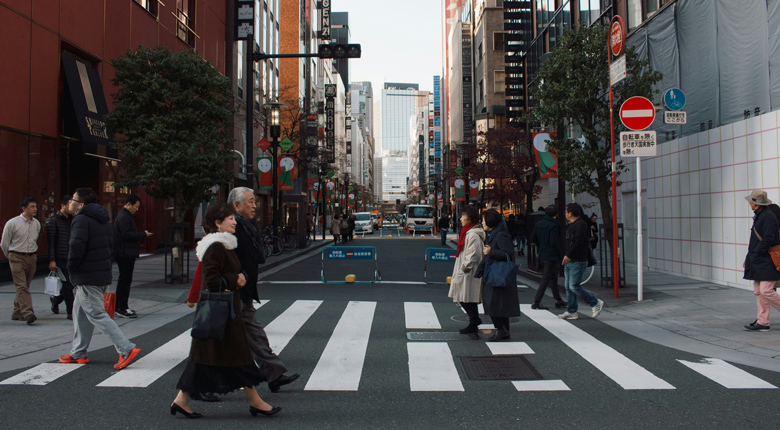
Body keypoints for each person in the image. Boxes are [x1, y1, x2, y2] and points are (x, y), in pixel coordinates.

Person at [172, 201, 280, 419]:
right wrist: (236, 279)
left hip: (223, 313)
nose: (234, 221)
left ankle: (181, 400)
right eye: (230, 218)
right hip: (221, 314)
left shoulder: (225, 245)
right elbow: (211, 281)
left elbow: (233, 273)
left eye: (233, 218)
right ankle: (256, 402)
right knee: (236, 357)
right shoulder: (216, 247)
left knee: (208, 359)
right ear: (217, 223)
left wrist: (242, 277)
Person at [59, 188, 141, 369]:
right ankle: (78, 352)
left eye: (73, 199)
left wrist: (70, 269)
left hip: (87, 275)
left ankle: (126, 348)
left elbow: (76, 247)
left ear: (80, 204)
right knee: (80, 312)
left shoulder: (81, 219)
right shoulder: (102, 219)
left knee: (96, 313)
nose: (70, 202)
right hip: (100, 273)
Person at [228, 188, 299, 394]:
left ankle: (274, 374)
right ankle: (199, 385)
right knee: (215, 343)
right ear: (236, 206)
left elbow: (256, 255)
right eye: (250, 201)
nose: (254, 205)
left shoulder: (247, 225)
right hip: (232, 293)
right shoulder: (231, 227)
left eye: (254, 201)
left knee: (255, 335)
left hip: (245, 291)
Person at [475, 209, 520, 341]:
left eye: (483, 220)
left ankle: (502, 330)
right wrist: (480, 269)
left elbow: (508, 254)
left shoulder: (500, 235)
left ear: (490, 221)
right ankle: (503, 331)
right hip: (494, 273)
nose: (482, 222)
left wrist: (491, 251)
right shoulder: (494, 233)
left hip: (498, 275)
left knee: (492, 303)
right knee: (498, 304)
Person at [558, 203, 604, 320]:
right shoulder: (573, 225)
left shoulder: (581, 225)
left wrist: (568, 255)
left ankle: (595, 302)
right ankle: (572, 311)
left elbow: (578, 242)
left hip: (578, 259)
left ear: (571, 213)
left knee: (573, 286)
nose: (565, 213)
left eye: (566, 211)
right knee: (568, 287)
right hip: (571, 259)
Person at [743, 191, 780, 331]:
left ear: (756, 203)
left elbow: (768, 238)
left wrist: (759, 253)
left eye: (751, 202)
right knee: (758, 291)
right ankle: (763, 321)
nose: (749, 204)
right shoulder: (760, 215)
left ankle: (763, 321)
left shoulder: (767, 216)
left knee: (766, 290)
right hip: (759, 259)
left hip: (766, 259)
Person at [1, 197, 41, 324]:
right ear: (24, 209)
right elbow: (4, 243)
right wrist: (10, 257)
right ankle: (28, 313)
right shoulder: (12, 223)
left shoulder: (36, 224)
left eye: (35, 206)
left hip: (31, 256)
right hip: (16, 256)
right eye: (32, 207)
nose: (35, 209)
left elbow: (35, 239)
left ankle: (17, 312)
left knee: (25, 286)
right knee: (21, 286)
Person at [113, 194, 153, 318]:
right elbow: (126, 234)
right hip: (125, 253)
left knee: (124, 280)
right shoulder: (124, 216)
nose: (137, 209)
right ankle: (122, 307)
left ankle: (120, 306)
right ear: (128, 204)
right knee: (125, 280)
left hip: (125, 252)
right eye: (136, 206)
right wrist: (142, 235)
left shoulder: (125, 215)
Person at [448, 205, 485, 334]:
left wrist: (465, 266)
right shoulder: (467, 232)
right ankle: (474, 320)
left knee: (465, 296)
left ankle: (474, 321)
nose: (461, 219)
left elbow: (474, 253)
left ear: (469, 218)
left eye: (463, 216)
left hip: (469, 270)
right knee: (463, 295)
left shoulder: (472, 234)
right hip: (466, 268)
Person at [529, 205, 567, 310]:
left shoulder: (539, 224)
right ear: (556, 215)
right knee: (546, 278)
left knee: (553, 277)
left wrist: (540, 246)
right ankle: (536, 301)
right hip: (551, 255)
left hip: (542, 253)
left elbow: (533, 238)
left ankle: (558, 299)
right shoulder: (554, 226)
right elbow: (554, 242)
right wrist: (560, 255)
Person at [46, 196, 75, 319]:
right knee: (68, 284)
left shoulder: (73, 220)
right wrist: (52, 260)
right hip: (60, 257)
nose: (72, 207)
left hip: (71, 257)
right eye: (70, 204)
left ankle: (56, 300)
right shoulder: (53, 221)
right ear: (63, 205)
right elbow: (51, 242)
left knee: (72, 283)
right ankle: (71, 311)